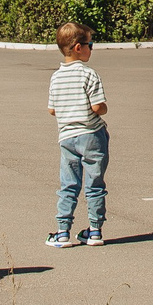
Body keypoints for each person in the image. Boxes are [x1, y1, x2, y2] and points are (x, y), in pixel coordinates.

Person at [45, 21, 108, 248]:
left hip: (67, 136)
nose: (92, 48)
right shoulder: (89, 75)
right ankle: (94, 230)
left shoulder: (56, 78)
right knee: (94, 183)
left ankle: (63, 232)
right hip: (91, 134)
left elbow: (52, 109)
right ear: (78, 48)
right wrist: (102, 110)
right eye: (90, 44)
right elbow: (98, 106)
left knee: (68, 184)